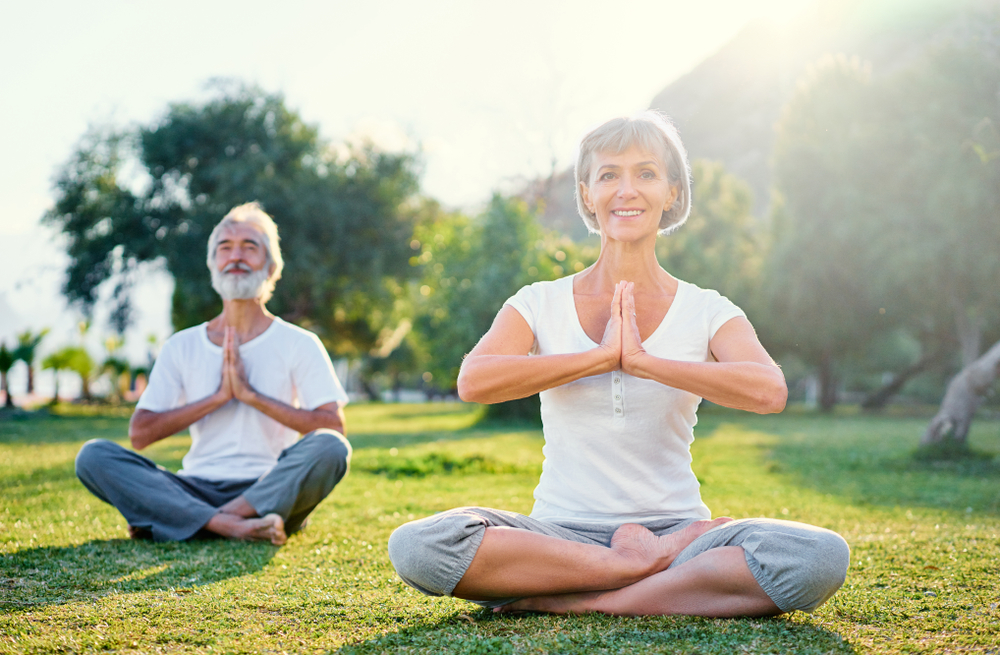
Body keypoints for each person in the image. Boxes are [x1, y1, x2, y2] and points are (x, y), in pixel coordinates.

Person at [388, 112, 849, 617]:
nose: (626, 190)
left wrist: (647, 363)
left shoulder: (709, 308)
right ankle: (633, 573)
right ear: (587, 194)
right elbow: (475, 380)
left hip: (678, 529)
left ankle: (576, 602)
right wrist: (598, 358)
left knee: (819, 557)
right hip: (559, 535)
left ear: (671, 192)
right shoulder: (538, 302)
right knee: (419, 546)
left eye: (646, 174)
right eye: (609, 175)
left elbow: (768, 390)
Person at [76, 203, 351, 546]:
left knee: (331, 447)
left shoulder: (299, 343)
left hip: (269, 486)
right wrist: (218, 397)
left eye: (250, 247)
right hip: (194, 486)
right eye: (225, 248)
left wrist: (251, 396)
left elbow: (333, 427)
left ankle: (194, 519)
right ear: (213, 265)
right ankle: (233, 525)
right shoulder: (181, 345)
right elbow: (140, 434)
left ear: (271, 267)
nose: (236, 256)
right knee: (94, 456)